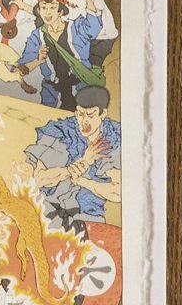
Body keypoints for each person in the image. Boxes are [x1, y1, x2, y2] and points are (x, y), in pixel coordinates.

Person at [25, 91, 120, 228]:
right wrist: (80, 164)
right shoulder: (61, 132)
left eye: (90, 115)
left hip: (87, 217)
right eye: (80, 114)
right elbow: (38, 179)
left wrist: (82, 181)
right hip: (46, 209)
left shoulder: (114, 138)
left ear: (103, 114)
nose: (84, 121)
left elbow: (118, 192)